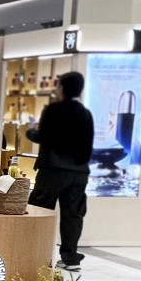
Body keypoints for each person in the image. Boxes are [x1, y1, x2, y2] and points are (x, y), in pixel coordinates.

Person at [26, 70, 94, 270]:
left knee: (40, 210)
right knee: (73, 215)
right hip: (79, 172)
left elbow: (43, 137)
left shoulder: (52, 110)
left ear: (62, 87)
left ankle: (34, 253)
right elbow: (88, 146)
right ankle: (70, 258)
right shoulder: (85, 113)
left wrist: (30, 131)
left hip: (53, 170)